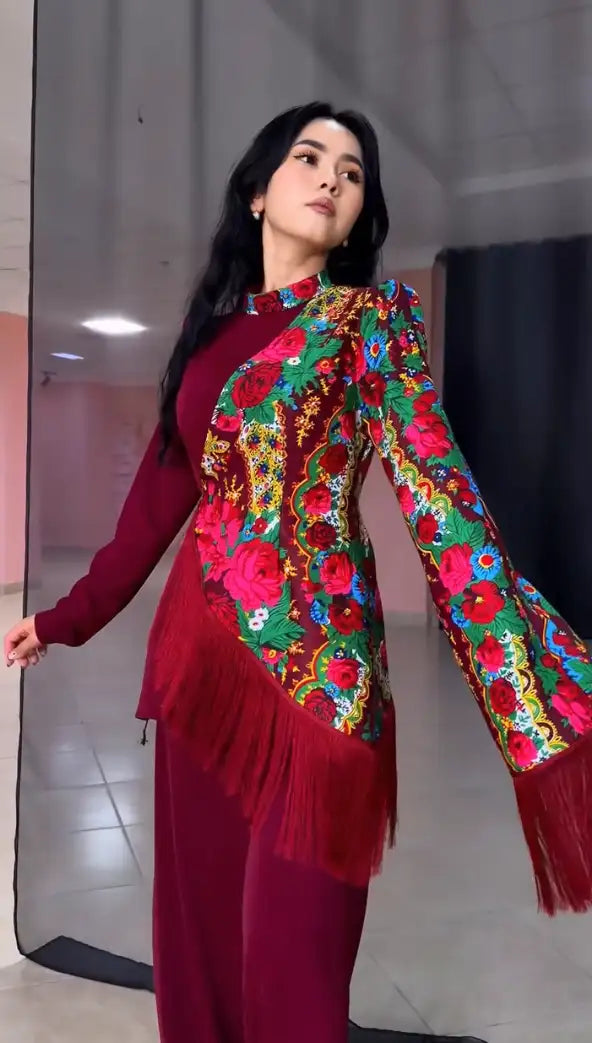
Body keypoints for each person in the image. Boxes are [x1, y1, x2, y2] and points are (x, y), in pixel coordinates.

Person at [4, 101, 592, 1043]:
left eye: (352, 173)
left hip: (326, 684)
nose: (331, 178)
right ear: (257, 191)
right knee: (198, 937)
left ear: (357, 216)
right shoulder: (205, 341)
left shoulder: (370, 323)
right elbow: (155, 506)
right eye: (310, 158)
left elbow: (441, 502)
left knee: (294, 956)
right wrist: (64, 617)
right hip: (202, 673)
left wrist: (536, 694)